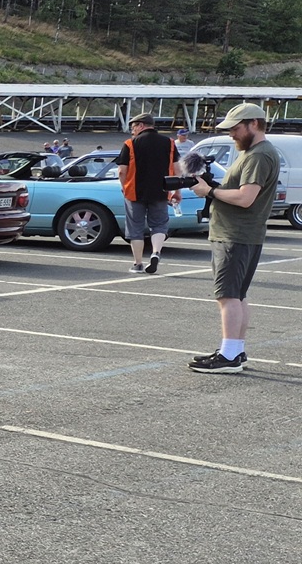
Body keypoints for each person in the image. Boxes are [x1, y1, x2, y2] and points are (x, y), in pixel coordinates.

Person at [189, 104, 280, 374]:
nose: (231, 134)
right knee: (237, 296)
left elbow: (245, 197)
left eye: (235, 128)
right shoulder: (257, 152)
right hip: (241, 233)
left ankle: (229, 356)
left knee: (227, 295)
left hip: (236, 234)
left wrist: (210, 191)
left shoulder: (258, 155)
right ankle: (235, 350)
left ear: (254, 123)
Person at [114, 113, 178, 274]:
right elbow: (177, 169)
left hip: (135, 192)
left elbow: (122, 171)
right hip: (161, 191)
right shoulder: (169, 143)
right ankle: (156, 252)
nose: (132, 131)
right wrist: (177, 191)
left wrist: (124, 187)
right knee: (159, 225)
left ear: (141, 125)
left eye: (133, 127)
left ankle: (138, 263)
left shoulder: (130, 144)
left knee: (135, 227)